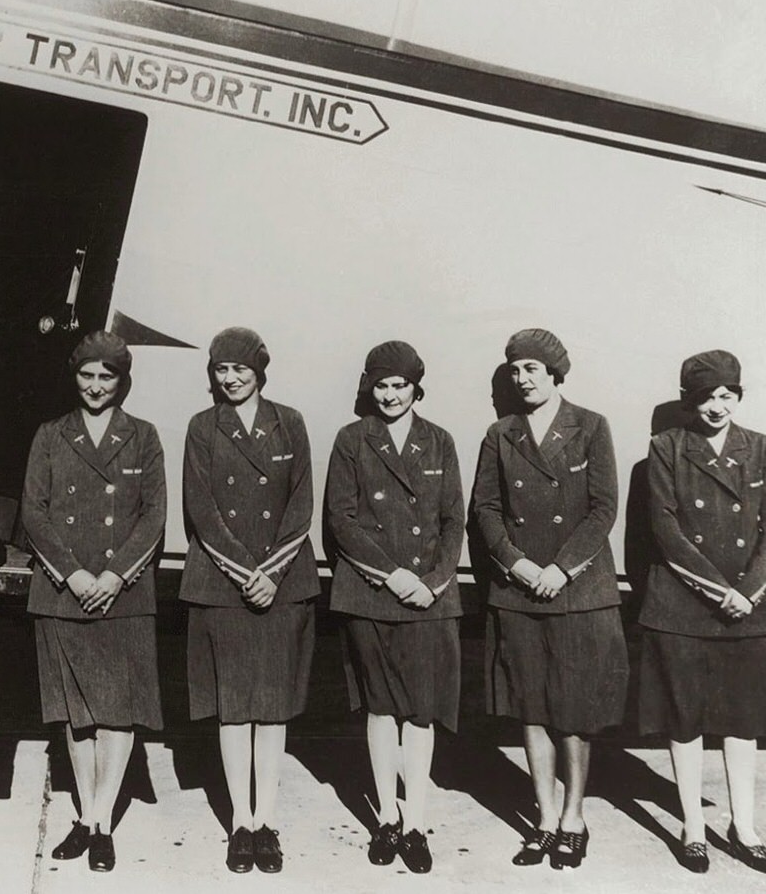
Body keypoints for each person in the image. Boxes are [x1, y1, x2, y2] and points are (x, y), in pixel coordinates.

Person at [470, 328, 627, 870]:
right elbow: (485, 509)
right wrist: (517, 563)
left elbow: (604, 508)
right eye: (514, 370)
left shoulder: (591, 426)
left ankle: (574, 818)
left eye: (532, 369)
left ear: (555, 373)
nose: (522, 379)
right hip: (520, 591)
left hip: (577, 591)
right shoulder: (500, 433)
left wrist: (562, 568)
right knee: (530, 709)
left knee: (573, 711)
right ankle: (544, 819)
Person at [637, 350, 766, 875]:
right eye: (707, 397)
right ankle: (691, 826)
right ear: (690, 401)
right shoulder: (666, 447)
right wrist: (717, 589)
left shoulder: (762, 449)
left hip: (749, 607)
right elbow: (665, 528)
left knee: (743, 721)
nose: (717, 406)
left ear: (738, 397)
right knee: (684, 718)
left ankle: (744, 828)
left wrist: (746, 592)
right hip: (684, 605)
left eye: (727, 395)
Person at [23, 331, 166, 873]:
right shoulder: (50, 434)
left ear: (122, 381)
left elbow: (154, 515)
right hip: (65, 590)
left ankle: (102, 821)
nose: (96, 386)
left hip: (121, 593)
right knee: (75, 713)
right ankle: (86, 815)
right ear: (74, 376)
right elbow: (34, 511)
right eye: (87, 375)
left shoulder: (143, 435)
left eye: (107, 376)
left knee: (117, 710)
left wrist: (113, 575)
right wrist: (75, 574)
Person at [180, 327, 317, 875]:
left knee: (273, 708)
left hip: (282, 583)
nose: (231, 378)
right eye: (221, 369)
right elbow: (201, 508)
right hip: (223, 584)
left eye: (240, 369)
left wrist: (272, 572)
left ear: (260, 371)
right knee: (234, 708)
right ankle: (241, 822)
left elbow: (301, 501)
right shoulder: (202, 427)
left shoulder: (291, 422)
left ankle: (267, 822)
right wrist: (245, 573)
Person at [325, 341, 464, 874]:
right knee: (381, 708)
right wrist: (393, 575)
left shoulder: (440, 441)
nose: (389, 395)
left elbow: (453, 520)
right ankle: (386, 816)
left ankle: (416, 823)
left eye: (400, 385)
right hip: (373, 593)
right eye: (381, 385)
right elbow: (341, 519)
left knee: (421, 711)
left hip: (428, 596)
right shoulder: (352, 439)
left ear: (415, 388)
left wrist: (432, 582)